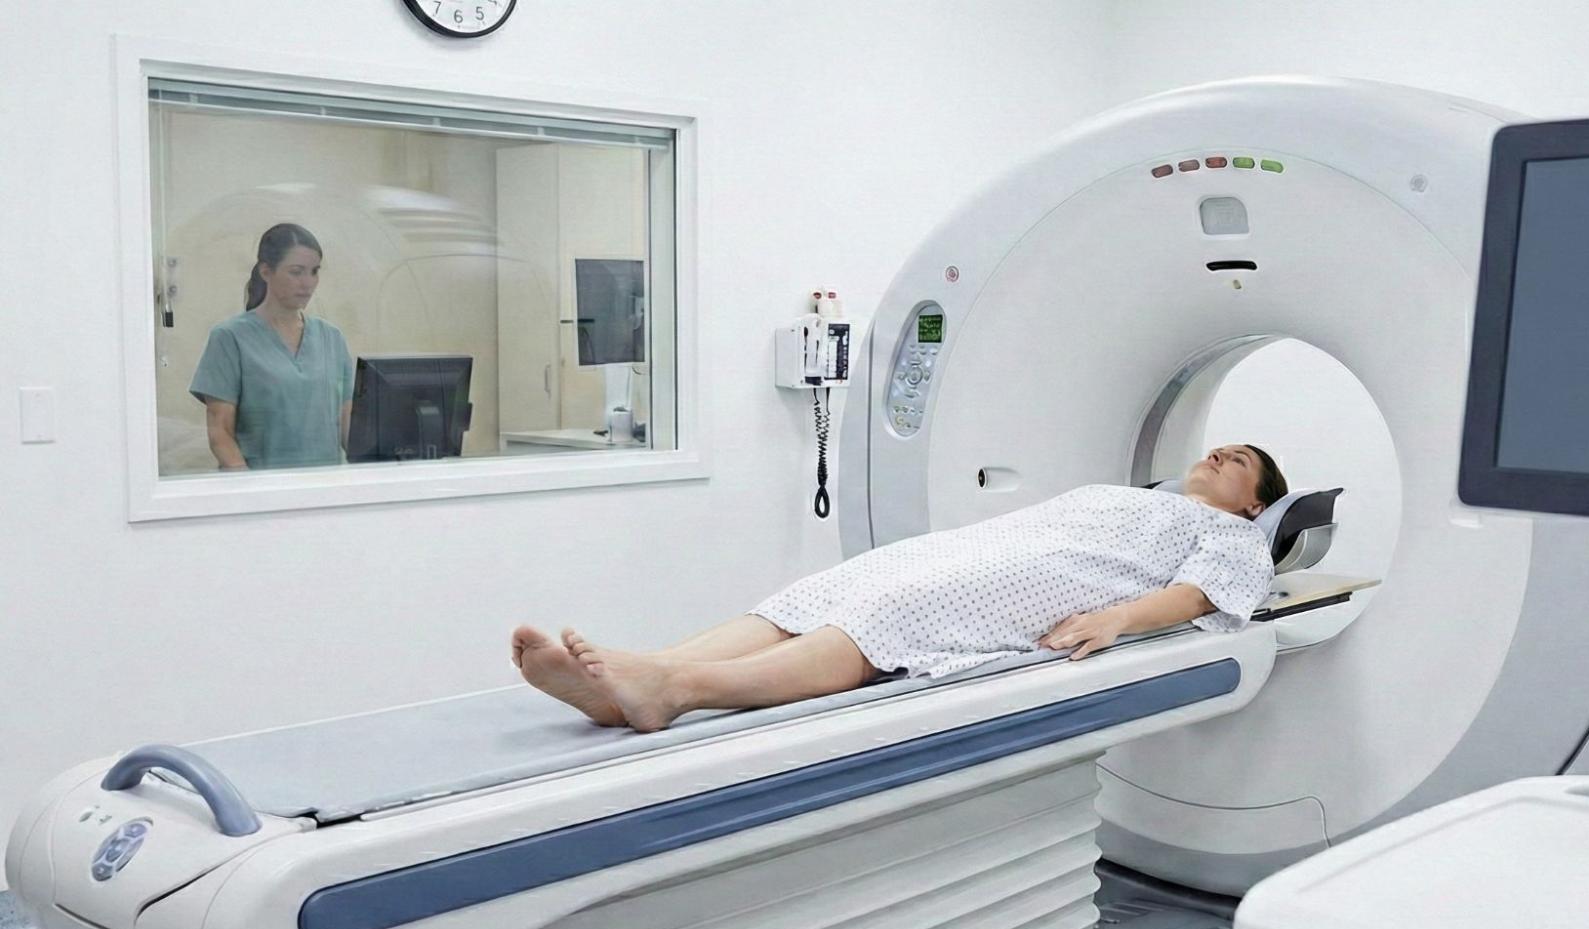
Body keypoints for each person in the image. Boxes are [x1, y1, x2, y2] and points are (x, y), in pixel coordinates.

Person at [512, 444, 1288, 732]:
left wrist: (1116, 618)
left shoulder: (1234, 536)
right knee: (837, 582)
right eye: (1218, 448)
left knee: (891, 609)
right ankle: (636, 677)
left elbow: (1196, 598)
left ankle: (679, 689)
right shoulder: (1131, 493)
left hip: (1060, 578)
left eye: (1240, 461)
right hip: (999, 545)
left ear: (1255, 503)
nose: (1219, 454)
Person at [190, 223, 355, 470]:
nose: (308, 283)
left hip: (325, 485)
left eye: (314, 272)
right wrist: (250, 486)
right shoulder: (230, 338)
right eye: (296, 272)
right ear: (266, 271)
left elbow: (348, 424)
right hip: (261, 486)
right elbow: (220, 434)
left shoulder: (331, 338)